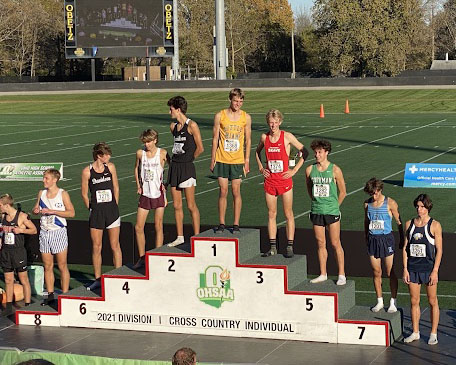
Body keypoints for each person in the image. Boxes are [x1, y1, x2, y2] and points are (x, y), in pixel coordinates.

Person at [255, 109, 308, 258]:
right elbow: (256, 152)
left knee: (288, 213)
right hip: (270, 181)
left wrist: (294, 170)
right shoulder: (264, 137)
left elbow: (305, 152)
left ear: (280, 122)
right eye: (270, 123)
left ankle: (289, 246)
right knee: (271, 214)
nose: (273, 126)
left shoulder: (287, 136)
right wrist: (261, 167)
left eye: (275, 123)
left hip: (284, 181)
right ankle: (273, 247)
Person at [81, 142, 122, 291]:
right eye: (106, 154)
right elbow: (84, 193)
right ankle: (98, 279)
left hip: (111, 211)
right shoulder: (87, 171)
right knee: (97, 247)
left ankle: (118, 276)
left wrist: (114, 204)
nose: (109, 157)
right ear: (99, 156)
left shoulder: (110, 167)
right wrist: (91, 207)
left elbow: (116, 186)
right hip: (97, 212)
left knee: (114, 245)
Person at [210, 88, 252, 233]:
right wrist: (213, 158)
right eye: (235, 100)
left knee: (236, 191)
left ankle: (236, 224)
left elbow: (248, 139)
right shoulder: (220, 116)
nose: (238, 103)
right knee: (223, 191)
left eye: (240, 101)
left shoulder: (246, 117)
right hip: (222, 158)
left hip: (237, 160)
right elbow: (215, 138)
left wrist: (246, 160)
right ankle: (221, 223)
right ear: (230, 100)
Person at [305, 139, 346, 285]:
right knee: (320, 243)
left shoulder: (335, 170)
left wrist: (335, 206)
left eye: (320, 152)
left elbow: (343, 192)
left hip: (332, 211)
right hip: (317, 211)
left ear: (326, 152)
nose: (317, 155)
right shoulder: (310, 170)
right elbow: (309, 189)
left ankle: (341, 274)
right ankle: (323, 273)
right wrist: (317, 202)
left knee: (335, 243)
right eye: (315, 152)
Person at [403, 194, 442, 345]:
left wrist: (435, 271)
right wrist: (405, 268)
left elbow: (439, 250)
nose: (419, 209)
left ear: (428, 208)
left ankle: (433, 333)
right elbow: (406, 248)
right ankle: (415, 332)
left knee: (432, 301)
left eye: (422, 207)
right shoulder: (409, 224)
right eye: (417, 206)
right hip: (413, 268)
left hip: (428, 268)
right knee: (414, 301)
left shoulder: (435, 225)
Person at [32, 169, 75, 305]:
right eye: (44, 178)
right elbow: (36, 207)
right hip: (45, 232)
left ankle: (65, 295)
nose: (44, 180)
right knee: (48, 266)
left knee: (62, 265)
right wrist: (36, 210)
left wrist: (53, 211)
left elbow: (71, 213)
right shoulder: (42, 193)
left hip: (58, 231)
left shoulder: (63, 194)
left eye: (46, 178)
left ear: (55, 180)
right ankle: (50, 295)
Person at [166, 96, 204, 247]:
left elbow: (200, 148)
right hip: (174, 168)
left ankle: (197, 236)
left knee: (190, 205)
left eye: (171, 109)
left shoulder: (192, 125)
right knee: (176, 205)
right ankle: (180, 236)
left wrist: (189, 160)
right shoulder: (173, 127)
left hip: (187, 168)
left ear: (178, 109)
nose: (170, 112)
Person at [363, 177, 402, 313]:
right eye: (371, 193)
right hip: (373, 239)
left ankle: (393, 300)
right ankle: (379, 300)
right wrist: (366, 237)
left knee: (390, 271)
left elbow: (398, 221)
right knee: (376, 271)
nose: (373, 196)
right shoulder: (367, 204)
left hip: (386, 239)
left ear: (380, 190)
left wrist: (402, 238)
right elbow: (366, 222)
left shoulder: (390, 203)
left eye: (375, 193)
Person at [133, 129, 168, 268]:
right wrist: (138, 185)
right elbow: (136, 168)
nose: (146, 144)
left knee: (158, 225)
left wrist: (165, 184)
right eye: (145, 142)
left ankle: (158, 255)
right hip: (145, 194)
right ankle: (142, 258)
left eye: (149, 141)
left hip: (158, 193)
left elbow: (172, 167)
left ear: (155, 140)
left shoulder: (163, 153)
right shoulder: (140, 153)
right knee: (138, 227)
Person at [0, 194, 37, 316]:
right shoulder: (3, 216)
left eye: (0, 205)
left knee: (23, 279)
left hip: (18, 252)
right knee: (8, 280)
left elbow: (34, 230)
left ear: (6, 205)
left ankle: (28, 305)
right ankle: (9, 307)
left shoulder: (21, 216)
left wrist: (21, 230)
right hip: (6, 252)